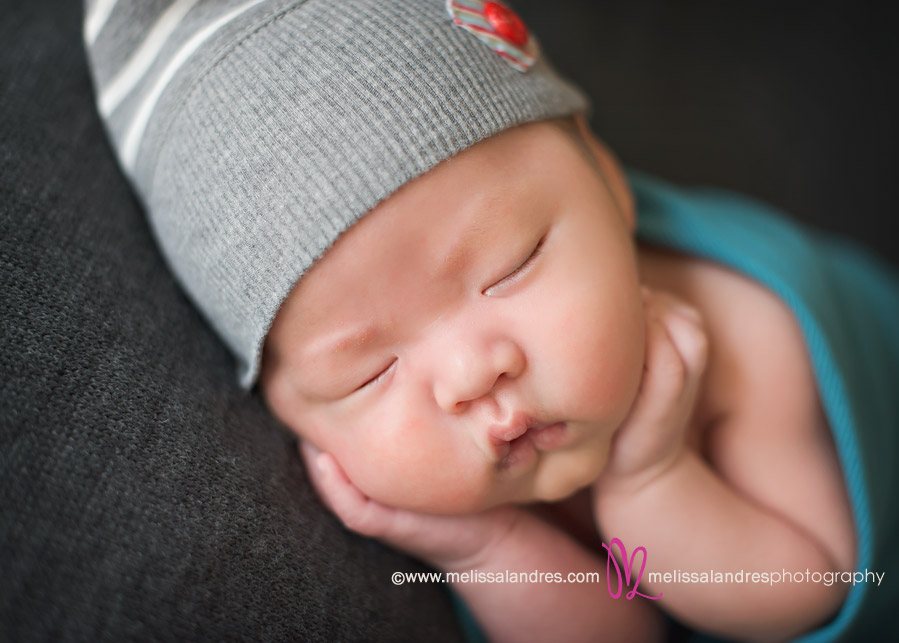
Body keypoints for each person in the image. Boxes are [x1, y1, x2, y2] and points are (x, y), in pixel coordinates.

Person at [84, 0, 898, 640]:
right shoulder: (457, 485)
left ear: (606, 179)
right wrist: (485, 547)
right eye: (367, 372)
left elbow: (806, 588)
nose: (473, 374)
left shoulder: (747, 337)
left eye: (511, 265)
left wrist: (649, 479)